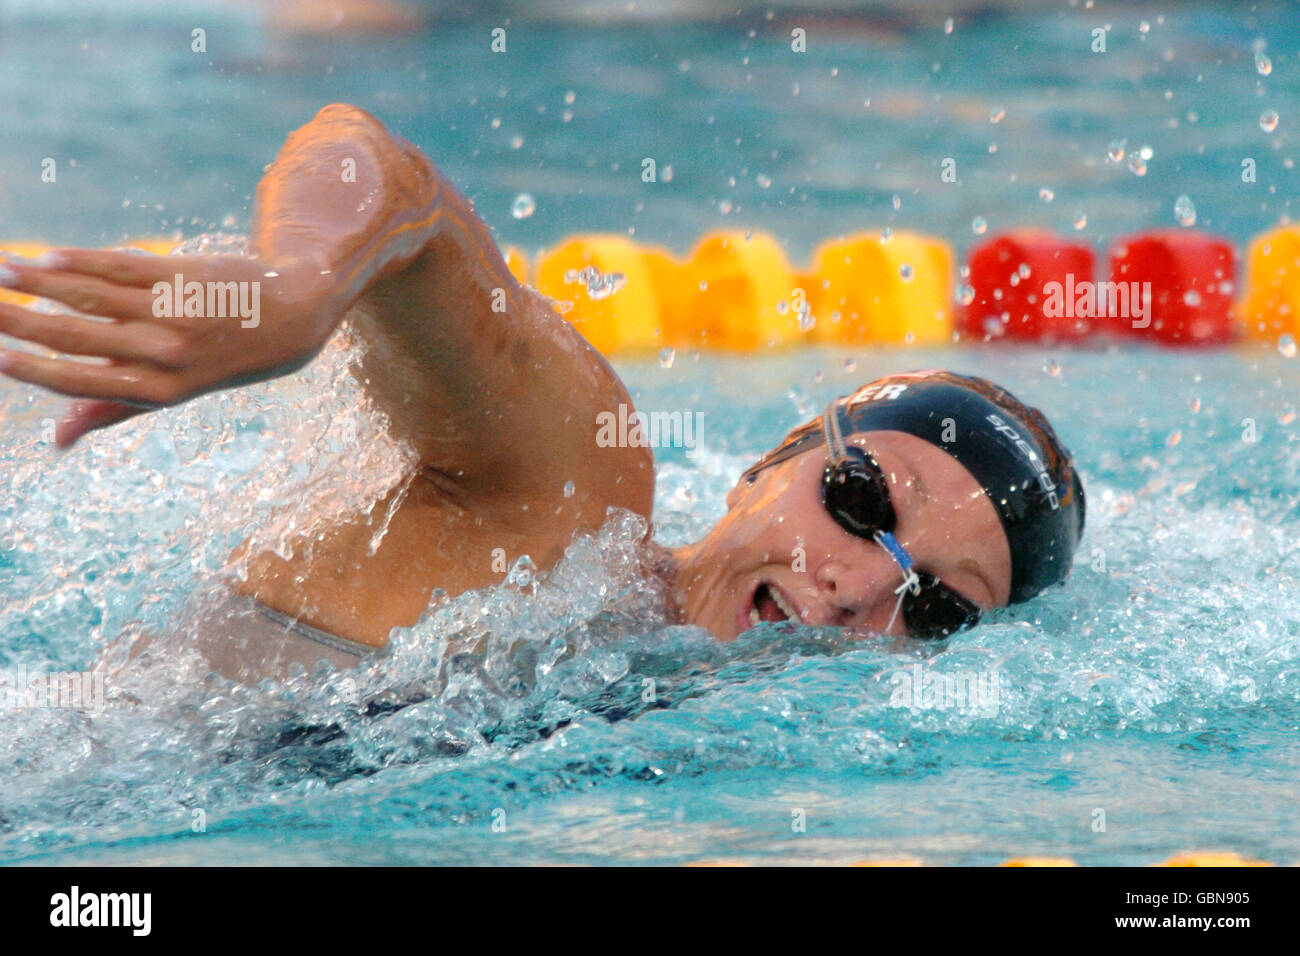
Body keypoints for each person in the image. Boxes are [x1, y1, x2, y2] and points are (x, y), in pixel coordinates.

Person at [0, 105, 1084, 682]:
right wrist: (300, 287)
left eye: (938, 608)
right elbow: (384, 172)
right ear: (775, 458)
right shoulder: (566, 510)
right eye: (861, 497)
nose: (856, 589)